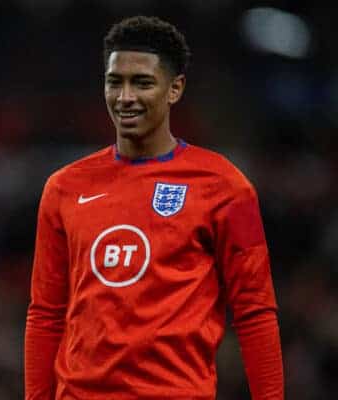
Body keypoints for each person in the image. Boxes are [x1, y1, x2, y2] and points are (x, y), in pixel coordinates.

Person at [24, 15, 283, 400]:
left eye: (142, 82)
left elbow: (255, 313)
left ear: (174, 89)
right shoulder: (64, 188)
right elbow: (45, 313)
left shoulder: (225, 186)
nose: (125, 97)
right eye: (115, 82)